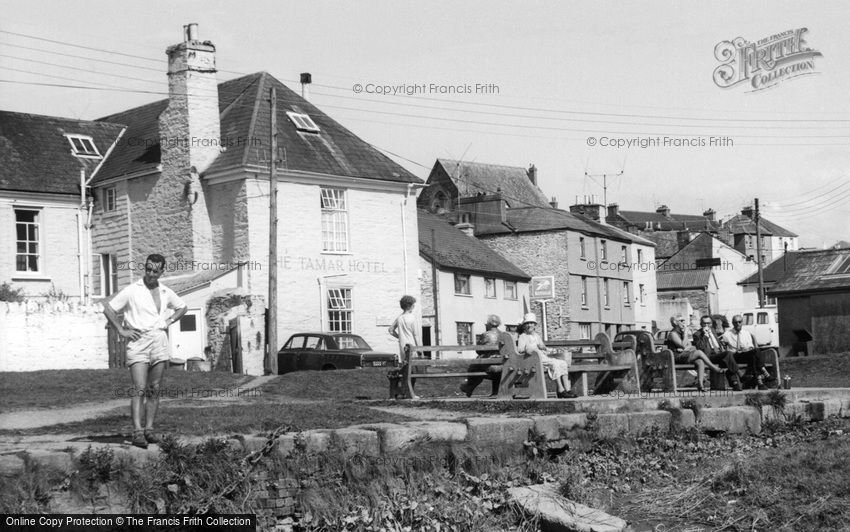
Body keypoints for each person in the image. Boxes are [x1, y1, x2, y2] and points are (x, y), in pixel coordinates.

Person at [103, 254, 187, 448]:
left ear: (161, 272)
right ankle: (137, 431)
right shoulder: (133, 290)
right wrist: (122, 329)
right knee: (139, 387)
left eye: (155, 270)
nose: (150, 273)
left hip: (159, 341)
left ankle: (149, 430)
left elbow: (182, 307)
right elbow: (108, 309)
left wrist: (169, 321)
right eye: (148, 269)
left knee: (154, 388)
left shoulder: (165, 291)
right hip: (139, 343)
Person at [517, 313, 577, 399]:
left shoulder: (536, 336)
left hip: (542, 357)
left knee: (563, 363)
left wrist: (543, 347)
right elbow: (520, 350)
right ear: (524, 326)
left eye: (531, 323)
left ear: (534, 325)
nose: (530, 325)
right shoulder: (523, 336)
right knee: (554, 364)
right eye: (527, 324)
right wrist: (527, 349)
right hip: (532, 359)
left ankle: (567, 389)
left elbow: (542, 346)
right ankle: (560, 389)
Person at [665, 315, 727, 391]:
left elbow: (689, 345)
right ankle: (714, 368)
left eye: (684, 320)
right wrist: (685, 335)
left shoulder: (680, 332)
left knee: (700, 362)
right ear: (675, 323)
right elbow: (684, 345)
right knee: (699, 352)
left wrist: (684, 347)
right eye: (681, 321)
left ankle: (700, 385)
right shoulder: (673, 334)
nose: (684, 322)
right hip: (675, 357)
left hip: (684, 355)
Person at [459, 314, 512, 397]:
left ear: (490, 324)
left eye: (487, 323)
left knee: (474, 367)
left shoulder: (485, 335)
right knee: (481, 367)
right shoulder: (503, 335)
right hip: (502, 364)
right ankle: (495, 392)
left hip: (489, 365)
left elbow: (479, 350)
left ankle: (469, 388)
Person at [692, 315, 742, 391]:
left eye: (708, 323)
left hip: (718, 354)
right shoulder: (697, 334)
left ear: (711, 324)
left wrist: (722, 344)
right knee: (728, 355)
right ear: (701, 324)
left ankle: (735, 384)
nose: (706, 325)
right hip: (708, 357)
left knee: (729, 358)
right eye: (704, 323)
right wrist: (705, 336)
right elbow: (701, 349)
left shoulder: (713, 331)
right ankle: (739, 374)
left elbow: (718, 344)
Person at [723, 315, 771, 390]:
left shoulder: (746, 333)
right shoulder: (727, 334)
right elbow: (726, 350)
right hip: (734, 357)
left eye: (739, 322)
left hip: (745, 355)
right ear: (733, 323)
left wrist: (746, 349)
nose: (738, 324)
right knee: (754, 357)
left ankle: (761, 372)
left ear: (742, 323)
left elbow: (751, 347)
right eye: (736, 322)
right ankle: (760, 379)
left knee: (756, 352)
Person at [388, 295, 421, 364]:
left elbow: (390, 330)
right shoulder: (412, 318)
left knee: (405, 366)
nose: (414, 307)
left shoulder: (399, 318)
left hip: (402, 346)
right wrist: (420, 350)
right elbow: (416, 335)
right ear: (410, 306)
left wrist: (399, 337)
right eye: (413, 305)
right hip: (412, 346)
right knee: (414, 368)